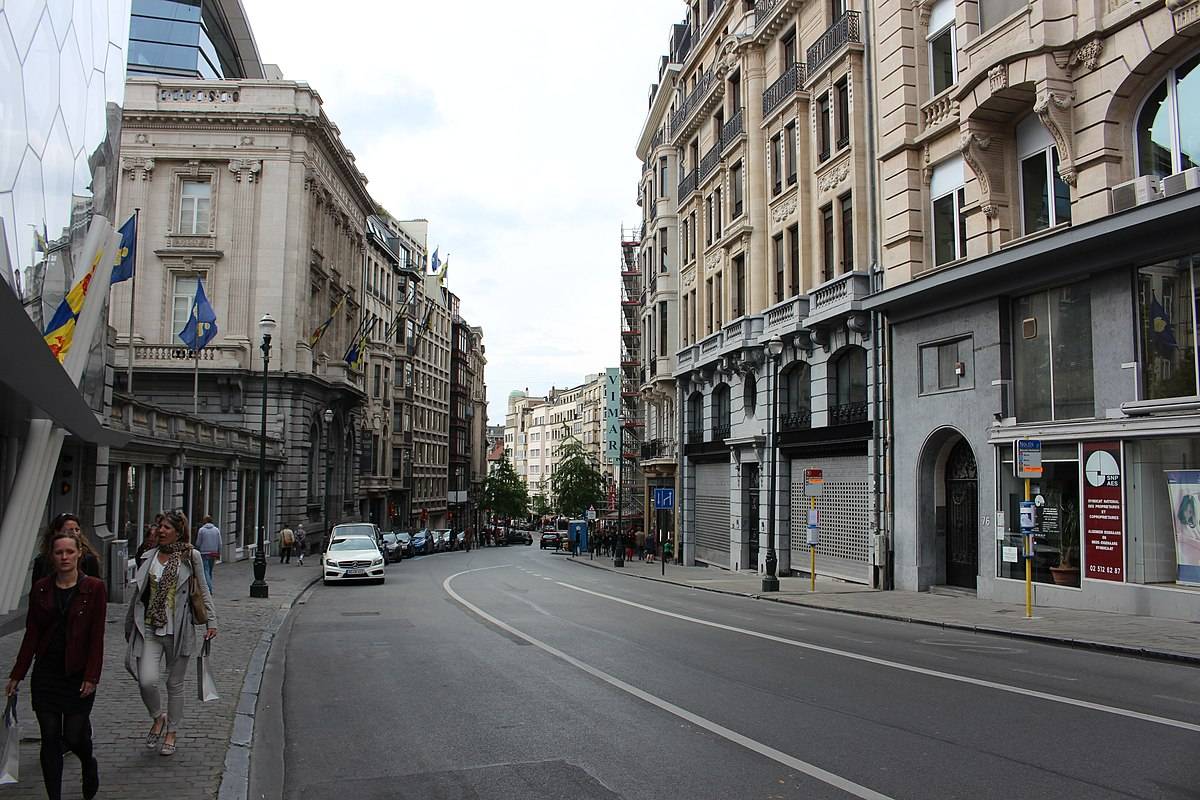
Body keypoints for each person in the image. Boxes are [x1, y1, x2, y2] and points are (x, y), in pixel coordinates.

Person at [7, 529, 106, 800]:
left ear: (79, 554)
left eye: (69, 552)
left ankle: (89, 763)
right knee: (50, 737)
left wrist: (91, 676)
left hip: (77, 672)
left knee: (74, 736)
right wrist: (17, 674)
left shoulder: (94, 588)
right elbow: (31, 634)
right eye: (59, 552)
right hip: (47, 673)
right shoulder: (41, 588)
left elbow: (96, 637)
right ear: (52, 556)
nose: (64, 557)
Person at [124, 510, 216, 757]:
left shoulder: (190, 557)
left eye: (165, 527)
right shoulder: (149, 555)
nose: (160, 531)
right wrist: (128, 624)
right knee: (146, 680)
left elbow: (203, 589)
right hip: (151, 628)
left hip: (179, 629)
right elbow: (138, 595)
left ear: (178, 531)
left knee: (174, 684)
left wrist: (211, 621)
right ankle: (158, 716)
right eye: (159, 526)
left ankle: (172, 732)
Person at [31, 513, 102, 584]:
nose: (75, 533)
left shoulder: (88, 559)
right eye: (70, 530)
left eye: (77, 530)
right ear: (57, 532)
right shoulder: (42, 561)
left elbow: (95, 586)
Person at [194, 514, 220, 593]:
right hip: (213, 552)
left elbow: (198, 542)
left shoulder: (201, 530)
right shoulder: (216, 530)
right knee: (210, 570)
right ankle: (209, 585)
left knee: (205, 570)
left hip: (204, 552)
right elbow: (220, 542)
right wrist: (218, 551)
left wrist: (197, 548)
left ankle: (209, 588)